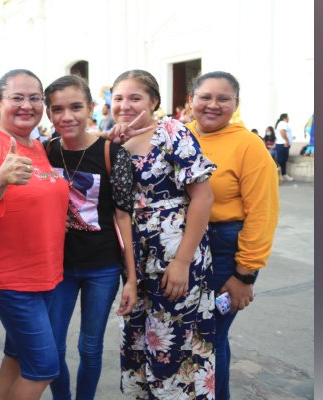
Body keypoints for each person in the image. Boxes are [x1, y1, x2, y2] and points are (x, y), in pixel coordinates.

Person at [107, 70, 217, 399]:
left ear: (154, 101)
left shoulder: (172, 132)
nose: (125, 105)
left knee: (174, 344)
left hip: (175, 254)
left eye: (135, 98)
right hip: (135, 259)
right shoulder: (115, 141)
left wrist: (183, 262)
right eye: (118, 98)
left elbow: (203, 198)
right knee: (139, 338)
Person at [0, 69, 69, 400]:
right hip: (11, 277)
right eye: (17, 98)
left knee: (17, 355)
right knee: (44, 368)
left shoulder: (37, 146)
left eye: (35, 98)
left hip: (46, 274)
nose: (27, 105)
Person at [42, 75, 138, 400]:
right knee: (53, 347)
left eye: (76, 107)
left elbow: (124, 217)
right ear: (48, 113)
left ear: (91, 108)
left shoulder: (112, 153)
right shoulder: (46, 152)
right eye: (57, 109)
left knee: (90, 346)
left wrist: (131, 279)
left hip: (102, 268)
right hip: (59, 268)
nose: (66, 116)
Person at [186, 71, 280, 399]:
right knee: (196, 334)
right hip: (186, 246)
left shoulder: (249, 145)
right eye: (205, 97)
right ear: (191, 101)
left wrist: (245, 274)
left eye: (223, 99)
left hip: (226, 247)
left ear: (236, 104)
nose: (213, 105)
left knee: (210, 335)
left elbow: (262, 214)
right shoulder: (180, 136)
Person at [274, 113, 294, 181]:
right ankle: (275, 175)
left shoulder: (282, 123)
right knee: (280, 161)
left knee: (283, 160)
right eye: (288, 117)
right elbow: (282, 132)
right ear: (285, 118)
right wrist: (286, 140)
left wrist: (290, 138)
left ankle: (283, 174)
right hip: (282, 144)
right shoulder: (283, 123)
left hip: (283, 144)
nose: (289, 118)